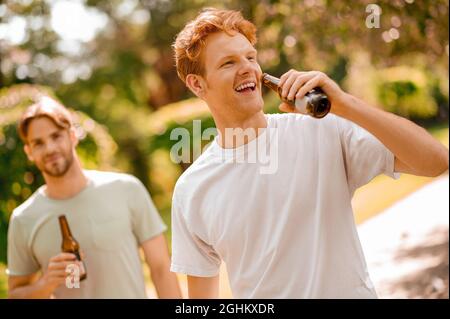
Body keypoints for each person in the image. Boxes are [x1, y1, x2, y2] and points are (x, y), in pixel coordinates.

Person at [169, 8, 449, 298]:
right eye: (228, 62)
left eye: (251, 57)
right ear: (198, 84)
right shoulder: (193, 190)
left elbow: (435, 161)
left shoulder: (321, 131)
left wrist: (345, 104)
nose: (248, 69)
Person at [7, 97, 182, 299]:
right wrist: (46, 284)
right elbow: (15, 294)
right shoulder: (23, 219)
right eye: (38, 143)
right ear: (29, 151)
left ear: (72, 136)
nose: (50, 149)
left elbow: (161, 267)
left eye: (56, 136)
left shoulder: (126, 189)